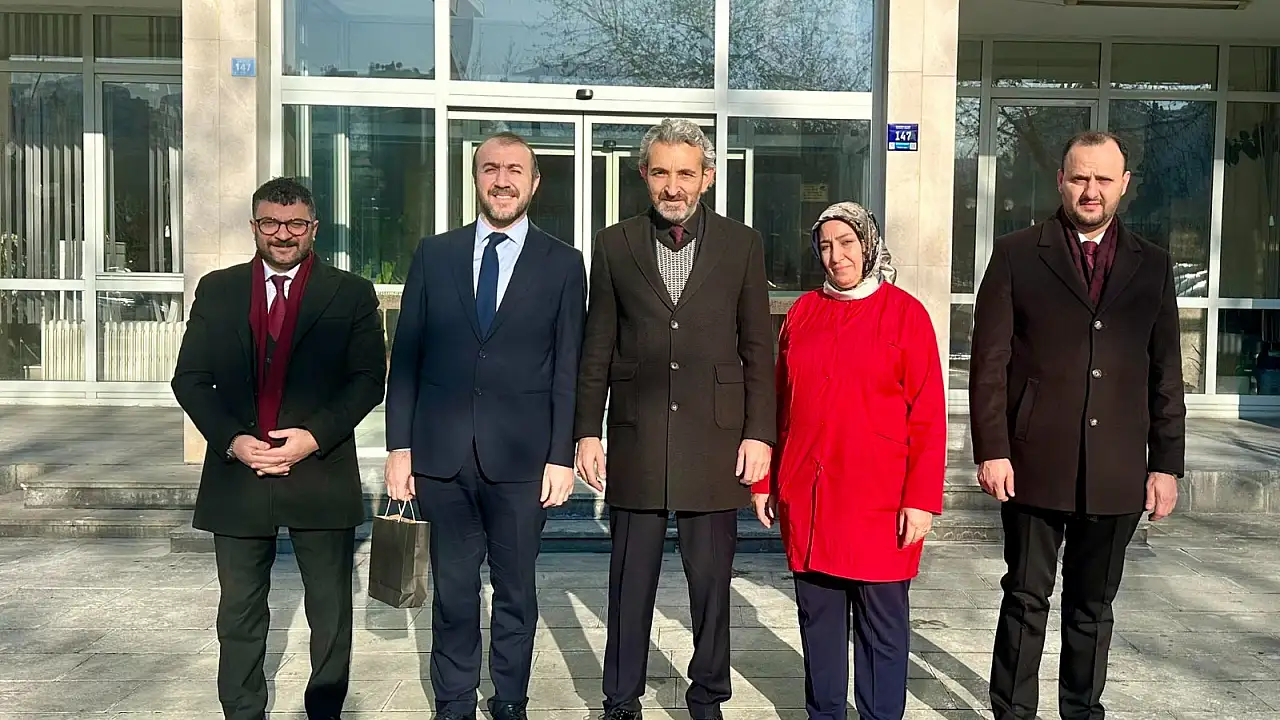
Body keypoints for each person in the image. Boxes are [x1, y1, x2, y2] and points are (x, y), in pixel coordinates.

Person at [969, 130, 1185, 720]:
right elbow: (989, 364)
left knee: (1093, 606)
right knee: (1025, 597)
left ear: (1124, 185)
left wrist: (1166, 464)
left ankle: (1082, 711)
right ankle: (1013, 711)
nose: (1092, 190)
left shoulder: (1153, 266)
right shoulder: (1017, 254)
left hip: (1117, 467)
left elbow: (1166, 373)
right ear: (1061, 180)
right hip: (1034, 460)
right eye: (1081, 177)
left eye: (1103, 179)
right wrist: (992, 448)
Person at [573, 118, 776, 720]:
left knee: (711, 586)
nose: (673, 185)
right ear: (643, 174)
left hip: (715, 439)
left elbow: (757, 347)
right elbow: (597, 345)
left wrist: (759, 433)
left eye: (686, 173)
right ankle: (620, 697)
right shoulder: (614, 245)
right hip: (636, 437)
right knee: (629, 583)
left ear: (707, 177)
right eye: (661, 172)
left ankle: (708, 696)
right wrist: (586, 430)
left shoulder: (742, 244)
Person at [384, 131, 586, 720]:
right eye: (490, 168)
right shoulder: (435, 255)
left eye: (515, 169)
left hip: (522, 460)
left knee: (516, 591)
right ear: (475, 178)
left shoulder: (563, 263)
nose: (502, 180)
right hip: (441, 456)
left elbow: (568, 367)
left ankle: (510, 699)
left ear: (535, 182)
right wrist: (399, 448)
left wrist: (561, 454)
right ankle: (453, 701)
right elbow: (406, 358)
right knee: (452, 590)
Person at [171, 177, 387, 720]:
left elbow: (367, 380)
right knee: (239, 613)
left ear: (314, 228)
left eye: (295, 224)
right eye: (270, 222)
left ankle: (324, 711)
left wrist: (312, 437)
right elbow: (189, 378)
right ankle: (243, 712)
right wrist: (232, 440)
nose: (283, 234)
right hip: (238, 472)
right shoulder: (218, 289)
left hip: (319, 468)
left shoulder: (351, 293)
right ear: (254, 226)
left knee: (330, 611)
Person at [750, 201, 945, 720]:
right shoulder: (802, 313)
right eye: (825, 246)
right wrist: (765, 481)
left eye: (847, 243)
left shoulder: (906, 315)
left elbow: (928, 416)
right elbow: (778, 403)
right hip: (810, 498)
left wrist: (921, 500)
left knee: (882, 632)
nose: (836, 256)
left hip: (880, 504)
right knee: (819, 628)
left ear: (869, 244)